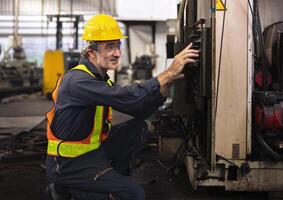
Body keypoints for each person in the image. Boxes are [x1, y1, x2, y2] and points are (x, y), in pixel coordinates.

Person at [45, 14, 199, 200]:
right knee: (133, 194)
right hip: (68, 164)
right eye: (110, 47)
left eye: (118, 45)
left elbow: (137, 108)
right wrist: (166, 74)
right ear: (91, 52)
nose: (117, 53)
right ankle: (66, 188)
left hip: (92, 154)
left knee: (137, 127)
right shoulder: (78, 80)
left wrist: (164, 87)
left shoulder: (99, 80)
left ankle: (104, 180)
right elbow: (126, 96)